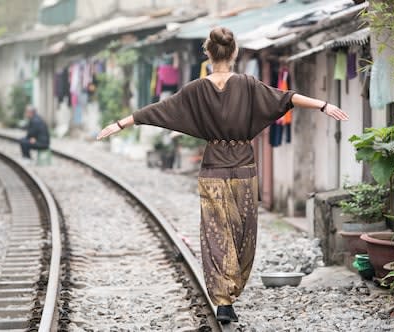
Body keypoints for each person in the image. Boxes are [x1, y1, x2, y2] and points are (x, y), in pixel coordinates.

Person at [97, 27, 349, 324]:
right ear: (235, 52)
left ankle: (224, 296)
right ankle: (226, 298)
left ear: (208, 53)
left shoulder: (195, 89)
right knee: (244, 233)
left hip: (213, 170)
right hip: (244, 169)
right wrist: (324, 104)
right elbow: (287, 98)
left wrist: (121, 123)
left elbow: (160, 109)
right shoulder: (248, 84)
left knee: (216, 233)